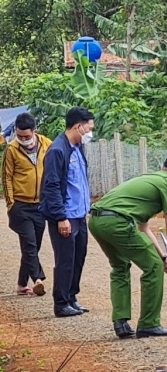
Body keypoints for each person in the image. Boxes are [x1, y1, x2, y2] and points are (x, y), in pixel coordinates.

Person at [88, 153, 167, 339]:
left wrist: (164, 256)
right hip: (118, 223)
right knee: (153, 267)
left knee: (120, 266)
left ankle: (120, 322)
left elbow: (143, 227)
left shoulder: (149, 179)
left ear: (164, 167)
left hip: (97, 221)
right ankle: (149, 324)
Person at [40, 106, 94, 318]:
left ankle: (71, 296)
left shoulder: (77, 148)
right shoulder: (57, 150)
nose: (91, 133)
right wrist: (60, 217)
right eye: (89, 128)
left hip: (79, 215)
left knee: (78, 256)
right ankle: (61, 303)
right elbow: (51, 186)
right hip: (65, 215)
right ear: (78, 127)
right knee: (65, 259)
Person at [4, 113, 51, 297]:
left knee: (33, 245)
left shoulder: (46, 144)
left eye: (26, 136)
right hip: (20, 206)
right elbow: (6, 177)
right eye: (19, 135)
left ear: (34, 131)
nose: (22, 139)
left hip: (40, 205)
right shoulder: (11, 149)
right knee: (30, 244)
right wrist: (11, 205)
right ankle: (38, 279)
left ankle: (21, 285)